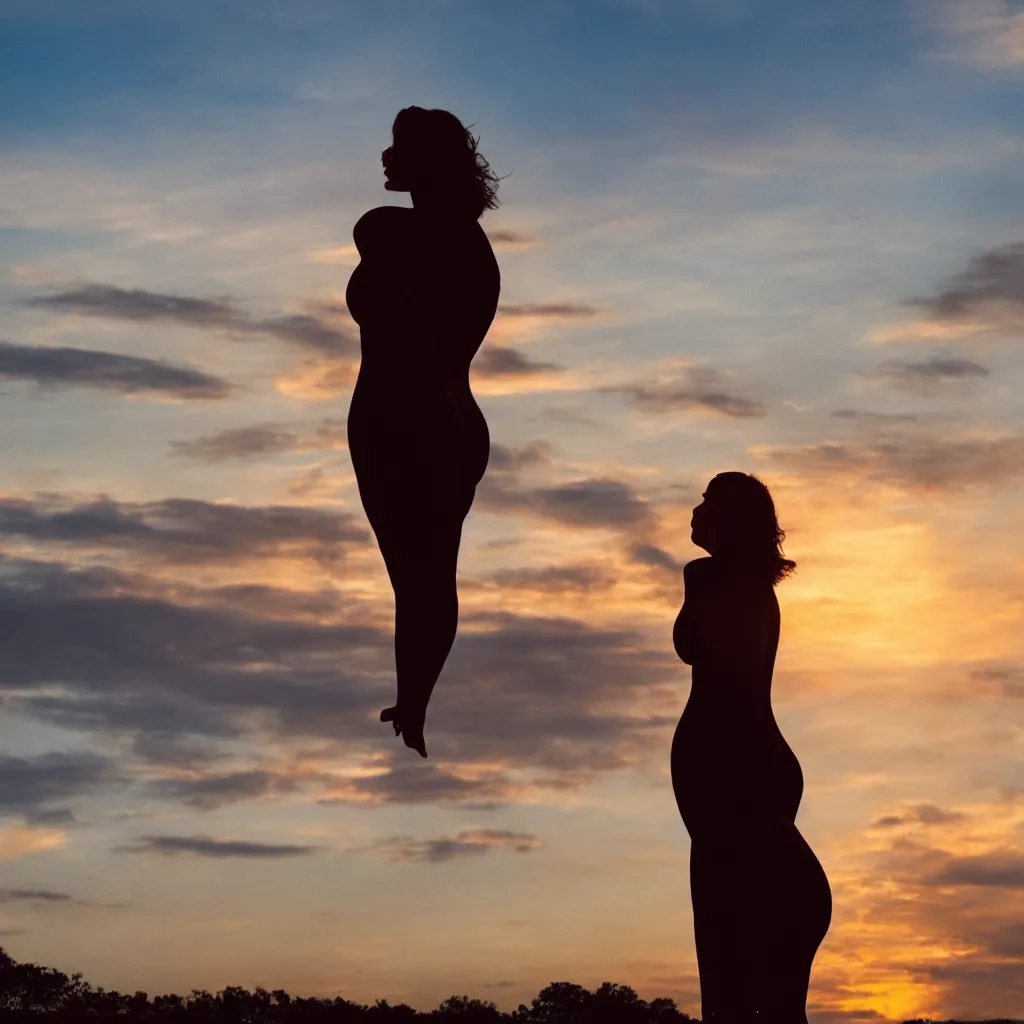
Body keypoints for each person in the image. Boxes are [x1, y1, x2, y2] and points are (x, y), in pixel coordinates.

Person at [345, 107, 501, 758]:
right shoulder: (443, 238)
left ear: (428, 162)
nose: (384, 159)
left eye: (397, 148)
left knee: (424, 577)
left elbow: (373, 236)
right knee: (419, 580)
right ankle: (414, 698)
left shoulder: (405, 233)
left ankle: (416, 696)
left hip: (420, 425)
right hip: (414, 423)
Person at [672, 472, 831, 1023]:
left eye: (710, 503)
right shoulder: (756, 590)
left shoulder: (713, 580)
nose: (696, 511)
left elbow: (703, 652)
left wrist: (697, 580)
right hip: (755, 773)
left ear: (733, 522)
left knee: (726, 980)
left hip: (733, 781)